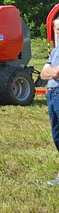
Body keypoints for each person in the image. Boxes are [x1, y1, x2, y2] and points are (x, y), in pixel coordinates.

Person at [42, 16, 59, 186]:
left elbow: (54, 72)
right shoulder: (55, 51)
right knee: (56, 135)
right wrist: (52, 72)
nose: (58, 32)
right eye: (57, 29)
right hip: (52, 92)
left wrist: (52, 72)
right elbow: (43, 73)